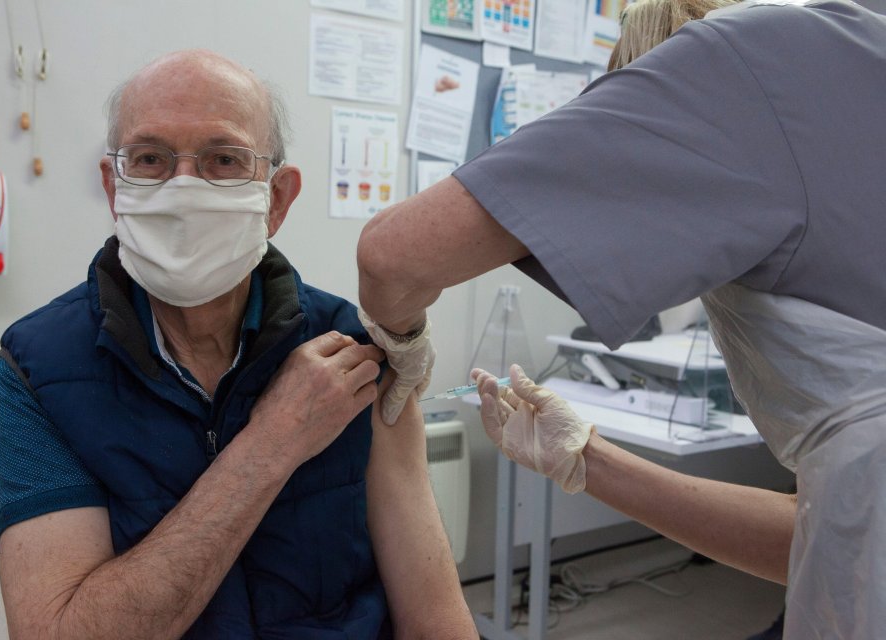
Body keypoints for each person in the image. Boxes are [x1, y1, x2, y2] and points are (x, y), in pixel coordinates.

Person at [357, 0, 886, 636]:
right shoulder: (847, 71)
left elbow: (393, 255)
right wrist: (588, 460)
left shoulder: (742, 65)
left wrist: (403, 339)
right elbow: (822, 528)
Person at [0, 49, 477, 640]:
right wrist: (271, 444)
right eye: (150, 159)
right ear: (113, 186)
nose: (184, 189)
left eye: (223, 159)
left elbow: (436, 623)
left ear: (277, 198)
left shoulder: (354, 350)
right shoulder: (38, 369)